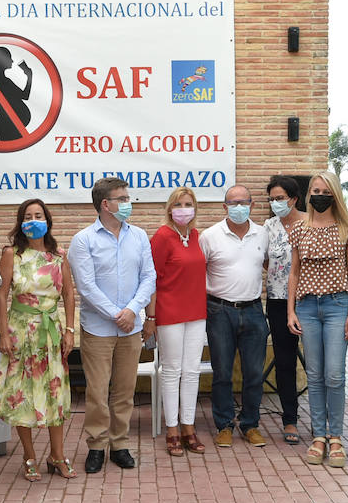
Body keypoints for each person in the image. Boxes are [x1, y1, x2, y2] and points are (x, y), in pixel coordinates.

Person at [69, 176, 157, 473]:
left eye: (127, 197)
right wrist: (116, 314)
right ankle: (96, 445)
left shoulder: (140, 236)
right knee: (96, 391)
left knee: (124, 390)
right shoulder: (83, 240)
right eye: (122, 198)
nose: (128, 203)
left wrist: (132, 311)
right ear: (105, 204)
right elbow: (86, 286)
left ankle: (119, 444)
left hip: (130, 328)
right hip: (98, 329)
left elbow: (149, 277)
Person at [0, 199, 77, 480]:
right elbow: (2, 294)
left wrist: (69, 330)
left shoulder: (59, 255)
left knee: (54, 392)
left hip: (51, 333)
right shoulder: (12, 254)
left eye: (38, 215)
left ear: (47, 220)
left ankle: (57, 455)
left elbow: (68, 294)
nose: (33, 220)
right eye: (27, 216)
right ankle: (29, 456)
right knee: (23, 394)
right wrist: (3, 333)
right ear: (21, 222)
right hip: (21, 333)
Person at [288, 171, 348, 467]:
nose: (319, 194)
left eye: (325, 190)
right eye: (315, 190)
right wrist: (290, 310)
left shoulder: (347, 229)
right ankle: (319, 436)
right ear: (309, 194)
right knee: (314, 375)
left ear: (334, 194)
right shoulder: (298, 228)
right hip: (306, 307)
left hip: (336, 306)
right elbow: (293, 272)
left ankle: (336, 437)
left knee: (335, 374)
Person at [201, 184, 271, 448]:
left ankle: (250, 424)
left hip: (253, 310)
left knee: (254, 373)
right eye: (233, 203)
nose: (238, 207)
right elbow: (199, 271)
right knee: (222, 372)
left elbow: (268, 264)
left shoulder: (262, 234)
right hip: (219, 311)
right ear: (224, 206)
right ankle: (224, 425)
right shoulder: (209, 236)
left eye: (244, 203)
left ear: (252, 205)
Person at [146, 187, 208, 455]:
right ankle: (171, 428)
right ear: (170, 208)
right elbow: (151, 278)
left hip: (197, 312)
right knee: (171, 371)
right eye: (179, 204)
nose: (184, 208)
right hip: (169, 313)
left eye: (189, 204)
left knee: (192, 371)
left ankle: (188, 427)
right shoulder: (162, 236)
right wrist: (151, 316)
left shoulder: (195, 235)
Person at [264, 176, 305, 444]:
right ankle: (290, 419)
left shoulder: (312, 223)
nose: (276, 203)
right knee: (285, 361)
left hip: (311, 300)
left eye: (280, 198)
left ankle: (326, 421)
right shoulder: (269, 226)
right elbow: (266, 261)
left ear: (294, 199)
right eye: (272, 199)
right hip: (278, 301)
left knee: (318, 363)